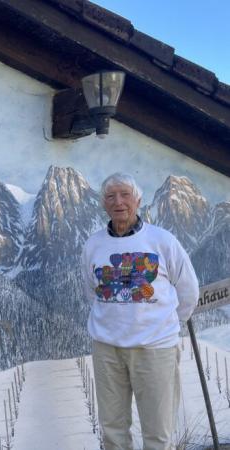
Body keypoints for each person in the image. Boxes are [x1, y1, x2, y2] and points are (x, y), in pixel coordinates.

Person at [81, 172, 199, 450]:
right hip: (107, 350)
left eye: (125, 195)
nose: (118, 202)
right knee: (113, 432)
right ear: (103, 204)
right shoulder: (93, 245)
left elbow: (189, 291)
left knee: (158, 434)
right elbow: (92, 292)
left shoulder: (163, 241)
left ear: (138, 200)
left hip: (155, 349)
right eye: (111, 196)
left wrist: (163, 326)